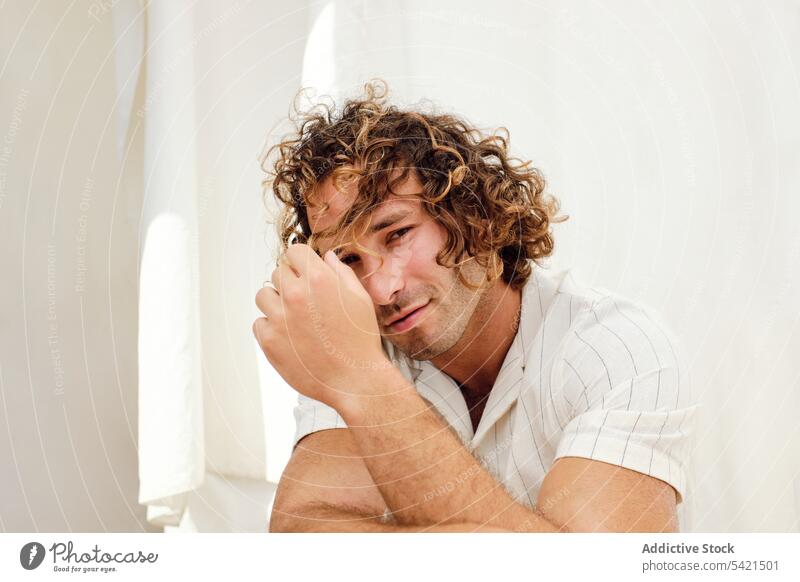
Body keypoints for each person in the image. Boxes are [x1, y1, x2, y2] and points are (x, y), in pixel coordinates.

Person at [254, 81, 696, 532]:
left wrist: (365, 384)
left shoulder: (617, 348)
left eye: (399, 234)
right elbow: (301, 535)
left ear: (476, 216)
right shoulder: (355, 344)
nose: (382, 289)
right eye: (348, 260)